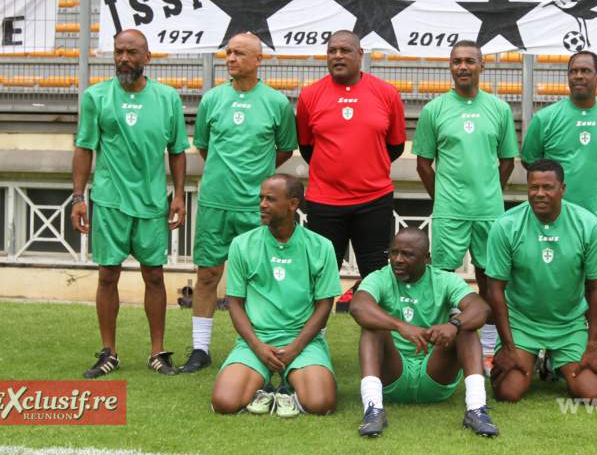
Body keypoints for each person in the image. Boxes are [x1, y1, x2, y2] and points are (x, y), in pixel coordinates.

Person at [71, 29, 189, 379]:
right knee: (108, 275)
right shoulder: (96, 96)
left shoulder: (168, 98)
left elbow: (178, 151)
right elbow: (84, 148)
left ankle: (158, 352)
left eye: (132, 53)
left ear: (147, 58)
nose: (124, 58)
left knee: (154, 275)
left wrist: (179, 195)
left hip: (152, 203)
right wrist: (79, 197)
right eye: (119, 52)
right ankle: (109, 352)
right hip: (109, 202)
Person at [179, 33, 297, 374]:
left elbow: (284, 150)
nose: (230, 58)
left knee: (261, 277)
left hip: (257, 207)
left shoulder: (275, 103)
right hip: (216, 202)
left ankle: (259, 345)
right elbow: (203, 147)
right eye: (227, 53)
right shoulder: (212, 99)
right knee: (207, 275)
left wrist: (255, 178)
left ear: (258, 60)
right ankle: (200, 350)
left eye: (238, 53)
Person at [520, 50, 597, 376]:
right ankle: (542, 351)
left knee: (592, 287)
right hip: (550, 219)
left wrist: (592, 187)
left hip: (594, 220)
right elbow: (532, 163)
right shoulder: (546, 118)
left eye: (585, 70)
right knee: (545, 280)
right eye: (573, 71)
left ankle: (592, 350)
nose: (578, 76)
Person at [412, 40, 518, 370]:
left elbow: (507, 162)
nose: (463, 66)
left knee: (491, 279)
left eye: (469, 61)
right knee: (442, 278)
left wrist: (490, 195)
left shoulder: (499, 109)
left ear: (481, 67)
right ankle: (438, 346)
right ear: (450, 67)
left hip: (489, 212)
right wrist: (443, 198)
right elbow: (423, 164)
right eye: (456, 61)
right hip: (449, 212)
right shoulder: (435, 109)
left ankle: (489, 345)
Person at [210, 175, 341, 417]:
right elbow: (236, 304)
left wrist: (295, 348)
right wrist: (257, 347)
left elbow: (324, 306)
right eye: (261, 198)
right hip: (257, 341)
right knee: (224, 403)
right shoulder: (241, 244)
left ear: (293, 204)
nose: (262, 204)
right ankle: (267, 387)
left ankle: (287, 390)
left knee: (322, 403)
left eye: (270, 199)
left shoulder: (321, 246)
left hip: (302, 342)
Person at [349, 228, 498, 438]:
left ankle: (476, 409)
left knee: (465, 329)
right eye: (394, 252)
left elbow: (481, 308)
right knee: (373, 327)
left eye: (407, 254)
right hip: (393, 376)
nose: (398, 260)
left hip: (434, 373)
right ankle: (373, 409)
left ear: (426, 258)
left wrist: (453, 325)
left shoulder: (444, 280)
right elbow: (358, 307)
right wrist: (401, 326)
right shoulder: (380, 277)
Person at [486, 159, 597, 405]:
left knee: (592, 395)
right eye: (533, 187)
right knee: (507, 392)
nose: (539, 194)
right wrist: (508, 347)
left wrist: (593, 346)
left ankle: (554, 361)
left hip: (569, 323)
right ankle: (532, 356)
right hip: (522, 322)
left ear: (562, 189)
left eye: (548, 187)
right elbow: (494, 289)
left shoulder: (588, 225)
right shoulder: (506, 225)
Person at [296, 30, 406, 281]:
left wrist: (368, 167)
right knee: (319, 274)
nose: (337, 56)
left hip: (374, 199)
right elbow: (306, 147)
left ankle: (374, 322)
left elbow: (396, 146)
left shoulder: (387, 93)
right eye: (332, 51)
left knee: (376, 273)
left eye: (344, 50)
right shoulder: (309, 96)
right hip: (324, 201)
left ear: (359, 54)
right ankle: (316, 323)